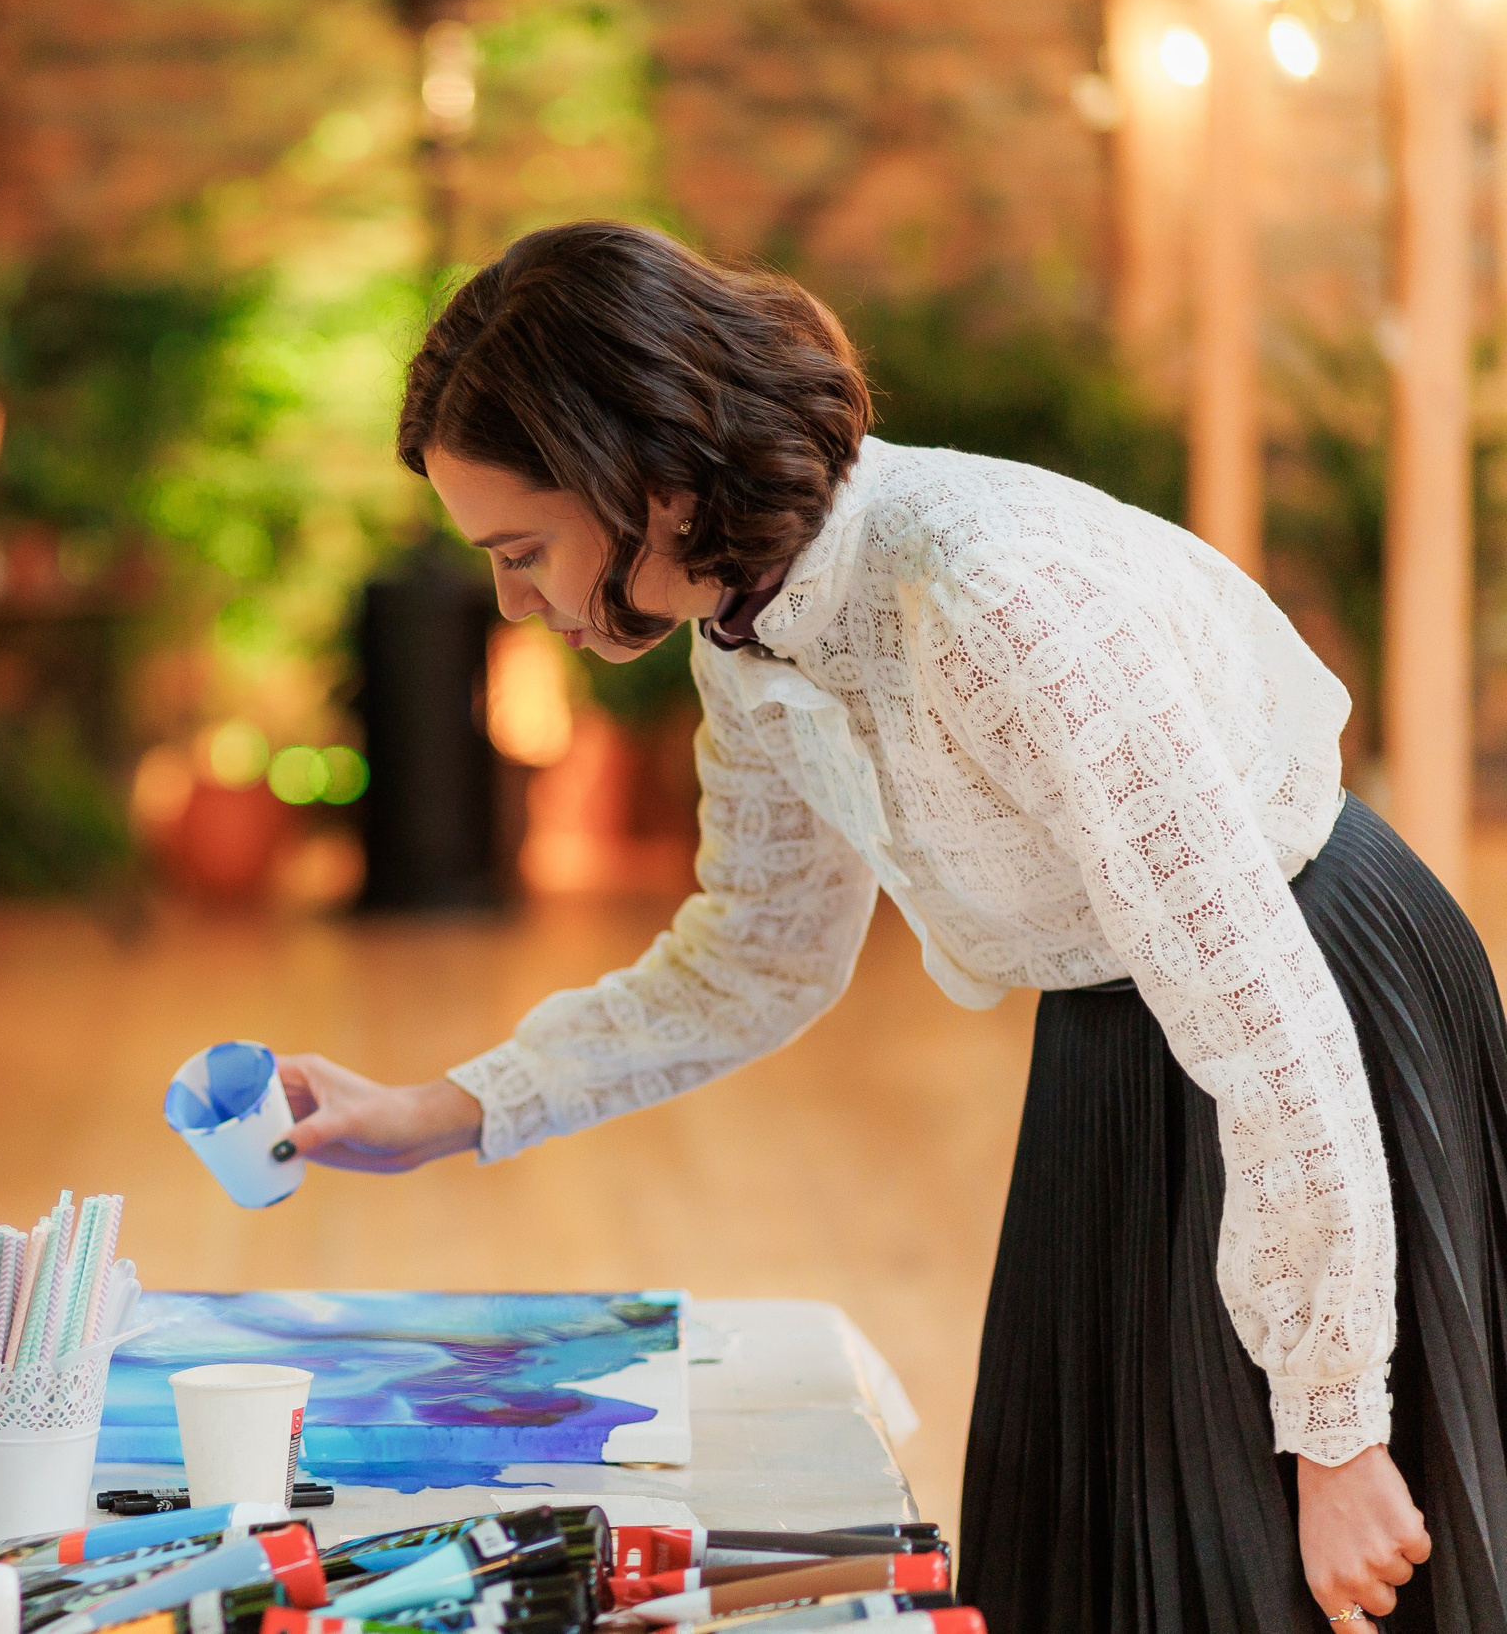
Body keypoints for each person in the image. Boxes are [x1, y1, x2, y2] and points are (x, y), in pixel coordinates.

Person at [275, 221, 1507, 1633]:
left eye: (523, 549)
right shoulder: (749, 626)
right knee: (1096, 1554)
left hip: (1310, 1004)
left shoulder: (988, 596)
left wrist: (1341, 1429)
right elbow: (756, 953)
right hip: (1124, 1035)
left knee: (1267, 1568)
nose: (513, 599)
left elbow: (1263, 1018)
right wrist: (444, 1110)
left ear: (651, 484)